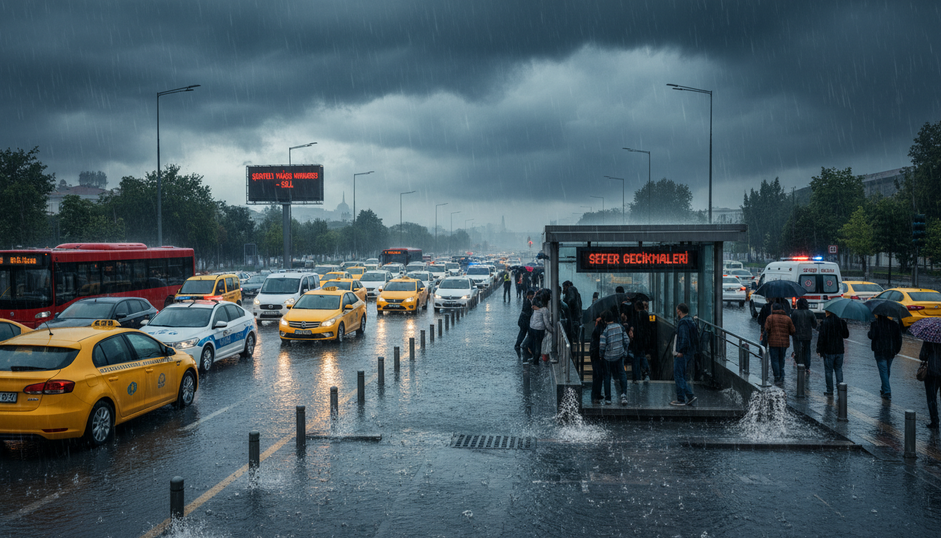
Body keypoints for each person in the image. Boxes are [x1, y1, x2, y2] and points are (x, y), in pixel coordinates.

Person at [867, 314, 902, 401]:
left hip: (880, 350)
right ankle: (884, 388)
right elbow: (899, 338)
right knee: (887, 370)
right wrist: (896, 350)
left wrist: (869, 332)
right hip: (890, 351)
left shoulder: (875, 324)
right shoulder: (893, 324)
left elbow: (872, 336)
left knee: (883, 371)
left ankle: (887, 391)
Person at [599, 310, 630, 405]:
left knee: (607, 376)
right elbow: (627, 340)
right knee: (622, 374)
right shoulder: (620, 327)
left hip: (608, 358)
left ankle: (608, 398)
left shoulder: (605, 331)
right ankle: (623, 395)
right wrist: (624, 351)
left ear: (605, 320)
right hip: (619, 355)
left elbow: (602, 346)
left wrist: (601, 355)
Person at [816, 310, 849, 396]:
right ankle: (840, 388)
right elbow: (846, 335)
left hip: (829, 351)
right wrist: (845, 325)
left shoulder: (825, 322)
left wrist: (819, 349)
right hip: (839, 350)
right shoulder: (841, 322)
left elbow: (821, 338)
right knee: (838, 369)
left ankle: (830, 390)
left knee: (828, 371)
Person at [671, 303, 697, 406]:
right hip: (689, 352)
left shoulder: (683, 323)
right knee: (681, 375)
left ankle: (685, 398)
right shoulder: (690, 321)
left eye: (677, 310)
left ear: (679, 311)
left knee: (678, 376)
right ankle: (684, 398)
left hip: (682, 353)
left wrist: (680, 351)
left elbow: (684, 338)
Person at [764, 303, 795, 384]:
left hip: (773, 342)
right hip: (784, 343)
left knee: (774, 360)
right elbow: (793, 331)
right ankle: (782, 375)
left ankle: (777, 376)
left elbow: (766, 329)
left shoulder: (770, 318)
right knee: (782, 359)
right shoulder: (787, 318)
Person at [789, 298, 817, 372]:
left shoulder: (795, 313)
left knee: (797, 350)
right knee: (807, 351)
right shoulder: (810, 313)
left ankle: (799, 364)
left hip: (797, 335)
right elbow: (815, 325)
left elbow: (791, 324)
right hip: (807, 336)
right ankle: (807, 367)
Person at [919, 341, 941, 429]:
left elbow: (922, 356)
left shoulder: (930, 339)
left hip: (933, 371)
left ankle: (935, 421)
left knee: (931, 398)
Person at [629, 300, 651, 383]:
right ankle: (646, 373)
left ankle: (637, 377)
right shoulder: (645, 314)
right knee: (642, 356)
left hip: (637, 341)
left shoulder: (638, 315)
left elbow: (638, 328)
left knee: (636, 359)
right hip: (643, 340)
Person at [588, 314, 606, 404]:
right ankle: (595, 394)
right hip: (596, 354)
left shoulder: (598, 327)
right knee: (598, 374)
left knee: (598, 375)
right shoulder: (600, 328)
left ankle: (597, 393)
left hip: (595, 353)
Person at [514, 289, 535, 356]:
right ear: (529, 295)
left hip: (524, 321)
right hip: (524, 321)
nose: (533, 296)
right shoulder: (527, 302)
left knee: (522, 333)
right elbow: (527, 312)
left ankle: (518, 345)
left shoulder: (527, 300)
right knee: (524, 333)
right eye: (532, 295)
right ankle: (523, 345)